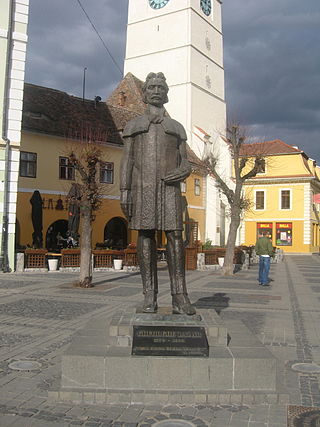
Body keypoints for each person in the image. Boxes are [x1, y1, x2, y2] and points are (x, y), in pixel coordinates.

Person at [120, 72, 195, 315]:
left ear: (166, 94)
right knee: (145, 236)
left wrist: (180, 173)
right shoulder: (134, 127)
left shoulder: (176, 128)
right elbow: (127, 162)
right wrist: (124, 191)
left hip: (170, 190)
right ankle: (149, 296)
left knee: (175, 237)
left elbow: (187, 163)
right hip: (143, 190)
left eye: (160, 87)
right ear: (144, 94)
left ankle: (179, 296)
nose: (155, 91)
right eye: (151, 87)